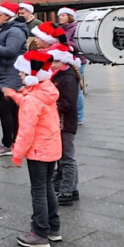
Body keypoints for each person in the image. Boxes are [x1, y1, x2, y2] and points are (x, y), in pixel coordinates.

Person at [4, 51, 62, 247]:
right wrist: (15, 95)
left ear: (31, 74)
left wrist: (17, 153)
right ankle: (53, 228)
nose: (19, 75)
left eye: (22, 71)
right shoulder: (45, 90)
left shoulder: (33, 99)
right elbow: (32, 102)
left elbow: (26, 132)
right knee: (47, 187)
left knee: (38, 190)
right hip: (50, 147)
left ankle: (39, 233)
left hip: (38, 150)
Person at [0, 2, 28, 157]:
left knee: (5, 109)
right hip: (7, 74)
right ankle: (16, 142)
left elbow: (11, 50)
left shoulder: (14, 31)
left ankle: (8, 144)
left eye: (0, 15)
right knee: (12, 111)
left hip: (12, 75)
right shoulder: (8, 29)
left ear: (8, 15)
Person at [47, 43, 81, 205]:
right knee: (62, 156)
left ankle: (67, 190)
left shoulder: (67, 78)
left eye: (55, 61)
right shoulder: (60, 74)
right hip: (59, 121)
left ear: (64, 61)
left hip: (65, 123)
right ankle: (71, 187)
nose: (52, 64)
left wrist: (49, 106)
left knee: (67, 157)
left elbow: (68, 103)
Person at [58, 7, 87, 125]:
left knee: (76, 90)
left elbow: (78, 45)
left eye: (63, 15)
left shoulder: (76, 28)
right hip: (65, 61)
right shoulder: (61, 28)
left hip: (77, 61)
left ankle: (79, 116)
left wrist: (63, 41)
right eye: (59, 15)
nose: (60, 17)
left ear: (70, 17)